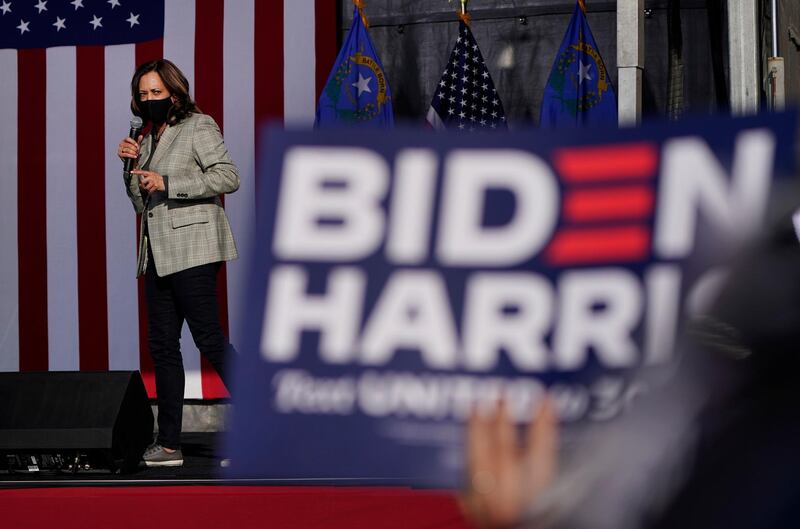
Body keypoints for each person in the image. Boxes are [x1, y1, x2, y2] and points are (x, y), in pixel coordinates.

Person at [117, 59, 239, 468]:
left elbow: (227, 177)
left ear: (175, 91)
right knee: (163, 348)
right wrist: (129, 169)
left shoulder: (198, 126)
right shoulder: (149, 139)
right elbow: (140, 204)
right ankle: (168, 443)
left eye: (156, 91)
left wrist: (170, 183)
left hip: (195, 247)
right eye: (143, 93)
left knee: (209, 339)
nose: (149, 99)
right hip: (157, 254)